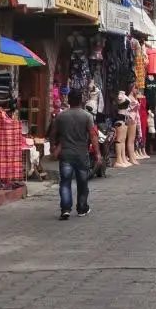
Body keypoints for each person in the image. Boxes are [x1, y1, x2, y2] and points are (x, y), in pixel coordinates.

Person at [47, 89, 99, 221]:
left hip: (66, 155)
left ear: (69, 101)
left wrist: (53, 146)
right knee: (82, 182)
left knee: (65, 182)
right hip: (82, 154)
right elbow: (93, 136)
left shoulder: (61, 116)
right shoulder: (87, 116)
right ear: (81, 100)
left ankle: (65, 209)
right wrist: (98, 153)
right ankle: (82, 208)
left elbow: (53, 133)